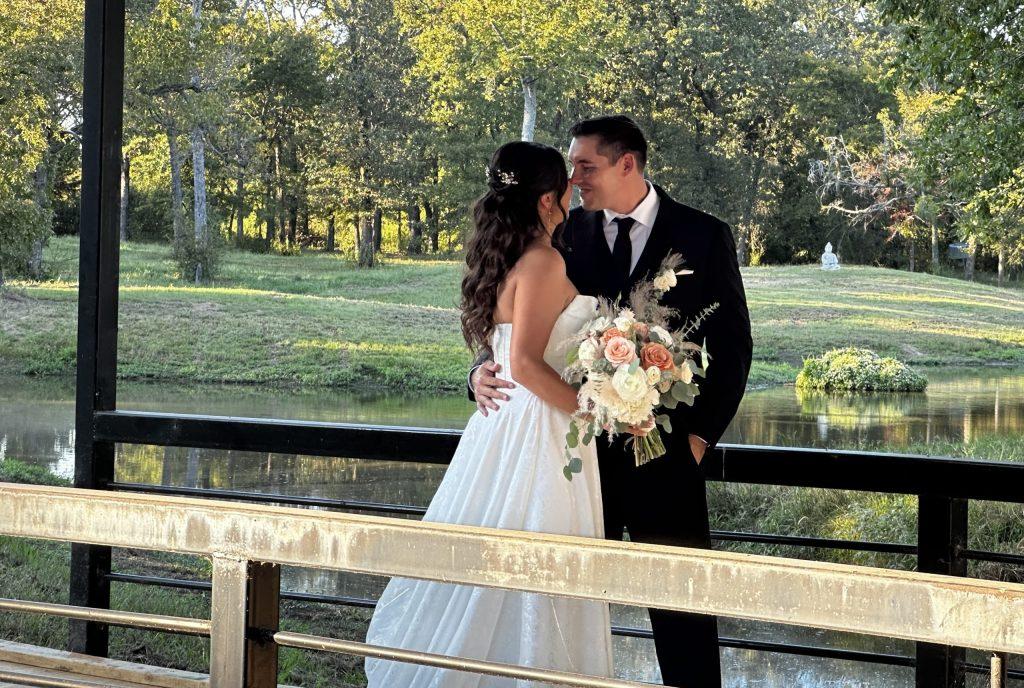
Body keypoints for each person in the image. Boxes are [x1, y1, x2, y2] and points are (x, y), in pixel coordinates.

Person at [471, 115, 753, 688]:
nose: (575, 180)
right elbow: (516, 326)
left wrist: (699, 440)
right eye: (571, 168)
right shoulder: (560, 233)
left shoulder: (703, 234)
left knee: (683, 614)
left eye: (586, 166)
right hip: (569, 461)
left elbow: (734, 347)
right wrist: (478, 370)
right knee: (562, 605)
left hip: (665, 458)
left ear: (628, 163)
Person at [365, 141, 614, 687]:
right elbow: (524, 363)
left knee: (490, 551)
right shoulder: (544, 261)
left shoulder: (501, 258)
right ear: (550, 198)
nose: (574, 194)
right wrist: (597, 412)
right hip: (538, 429)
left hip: (499, 424)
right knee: (538, 558)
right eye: (567, 187)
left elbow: (500, 348)